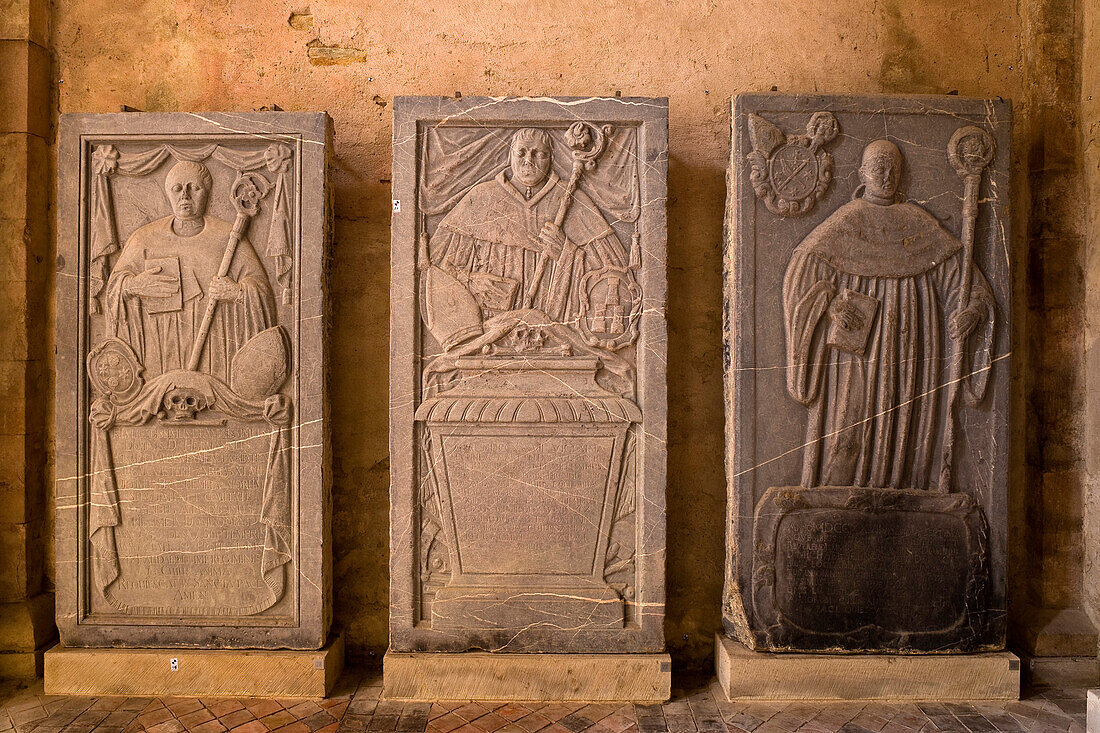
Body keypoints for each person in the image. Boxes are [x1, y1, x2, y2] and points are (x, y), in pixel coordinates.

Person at [783, 139, 995, 490]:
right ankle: (835, 497)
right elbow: (801, 280)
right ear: (862, 174)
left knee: (904, 432)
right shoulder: (844, 224)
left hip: (910, 352)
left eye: (893, 168)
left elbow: (966, 282)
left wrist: (972, 311)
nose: (886, 174)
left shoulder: (919, 225)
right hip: (854, 357)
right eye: (878, 166)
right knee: (847, 430)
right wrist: (830, 304)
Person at [428, 127, 628, 324]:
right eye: (521, 152)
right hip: (489, 328)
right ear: (510, 156)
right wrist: (473, 281)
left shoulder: (573, 201)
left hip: (553, 332)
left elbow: (616, 277)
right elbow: (434, 268)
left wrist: (567, 253)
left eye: (538, 153)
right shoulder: (481, 197)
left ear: (551, 158)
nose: (528, 161)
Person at [105, 161, 276, 382]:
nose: (185, 195)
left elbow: (261, 287)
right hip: (160, 344)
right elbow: (115, 286)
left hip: (214, 344)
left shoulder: (227, 236)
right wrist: (133, 286)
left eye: (193, 188)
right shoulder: (144, 238)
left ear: (207, 192)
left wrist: (237, 292)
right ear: (168, 193)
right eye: (177, 189)